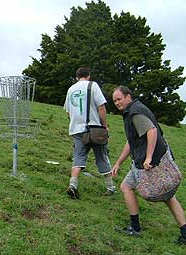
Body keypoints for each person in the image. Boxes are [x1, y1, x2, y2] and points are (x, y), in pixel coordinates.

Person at [111, 85, 186, 244]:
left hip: (149, 160)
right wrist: (118, 162)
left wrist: (148, 158)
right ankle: (183, 232)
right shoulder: (135, 109)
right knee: (129, 187)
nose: (117, 103)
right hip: (144, 158)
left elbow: (151, 131)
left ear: (128, 96)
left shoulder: (134, 112)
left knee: (131, 188)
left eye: (119, 99)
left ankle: (136, 228)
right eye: (114, 101)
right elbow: (132, 141)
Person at [64, 67, 115, 199]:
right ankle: (110, 187)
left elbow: (68, 111)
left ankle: (73, 185)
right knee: (102, 157)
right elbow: (101, 106)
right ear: (88, 76)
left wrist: (75, 123)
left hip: (77, 130)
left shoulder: (70, 90)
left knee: (78, 158)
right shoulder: (93, 86)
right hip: (95, 129)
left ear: (77, 77)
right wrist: (105, 125)